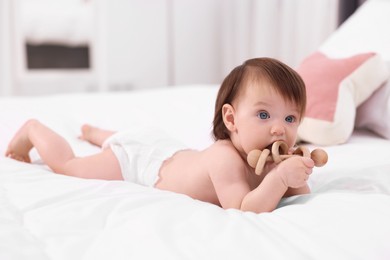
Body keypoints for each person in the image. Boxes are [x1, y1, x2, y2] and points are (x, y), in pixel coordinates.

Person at [5, 57, 314, 214]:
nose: (279, 129)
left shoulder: (268, 157)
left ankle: (94, 132)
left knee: (128, 135)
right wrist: (279, 180)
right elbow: (243, 208)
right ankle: (33, 129)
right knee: (71, 165)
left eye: (290, 118)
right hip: (141, 161)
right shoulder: (225, 159)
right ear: (231, 119)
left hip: (166, 148)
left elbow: (298, 196)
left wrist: (296, 174)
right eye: (263, 115)